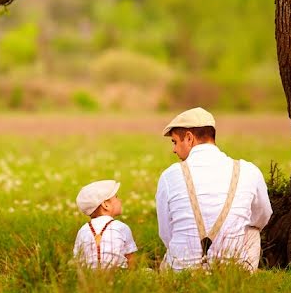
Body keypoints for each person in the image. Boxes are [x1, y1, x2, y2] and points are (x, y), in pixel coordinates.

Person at [156, 107, 272, 271]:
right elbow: (263, 217)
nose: (174, 149)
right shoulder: (248, 171)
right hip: (232, 272)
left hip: (182, 272)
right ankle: (243, 275)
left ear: (189, 138)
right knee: (252, 229)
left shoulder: (169, 176)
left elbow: (166, 233)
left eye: (175, 141)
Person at [73, 180, 138, 269]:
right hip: (119, 274)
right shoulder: (121, 227)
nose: (120, 200)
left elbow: (79, 260)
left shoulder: (83, 230)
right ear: (105, 205)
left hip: (90, 276)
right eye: (116, 197)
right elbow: (131, 260)